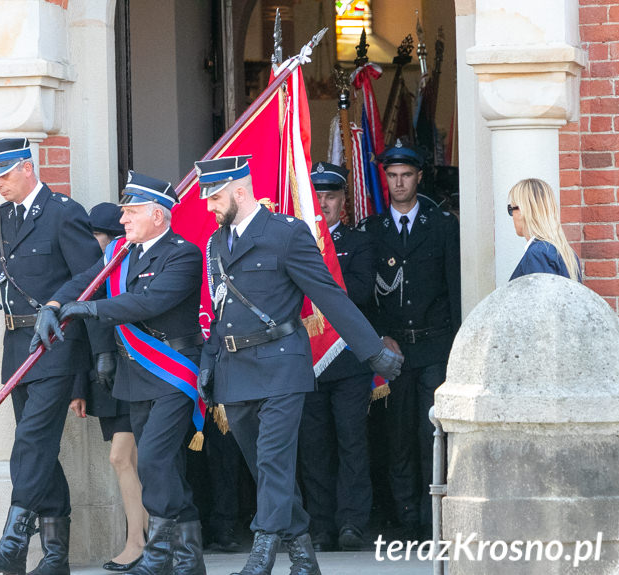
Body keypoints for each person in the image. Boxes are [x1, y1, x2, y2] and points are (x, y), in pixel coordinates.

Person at [195, 155, 403, 575]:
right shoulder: (217, 242)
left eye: (215, 196)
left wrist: (371, 351)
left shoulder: (287, 234)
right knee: (261, 464)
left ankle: (264, 550)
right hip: (234, 369)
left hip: (281, 364)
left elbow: (329, 295)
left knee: (273, 459)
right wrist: (208, 364)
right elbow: (219, 313)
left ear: (240, 190)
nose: (208, 205)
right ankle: (304, 552)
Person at [33, 172, 207, 575]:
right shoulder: (120, 251)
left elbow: (148, 303)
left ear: (158, 215)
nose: (123, 219)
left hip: (170, 372)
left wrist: (90, 310)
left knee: (155, 462)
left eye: (131, 212)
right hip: (135, 375)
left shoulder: (183, 253)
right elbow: (84, 280)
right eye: (125, 212)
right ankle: (188, 559)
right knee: (160, 466)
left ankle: (159, 556)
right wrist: (56, 303)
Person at [0, 138, 108, 575]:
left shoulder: (63, 212)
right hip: (16, 349)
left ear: (27, 167)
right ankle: (56, 556)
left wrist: (56, 305)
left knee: (32, 443)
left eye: (3, 175)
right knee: (39, 449)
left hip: (57, 347)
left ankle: (13, 542)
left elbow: (91, 272)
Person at [358, 139, 461, 538]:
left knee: (429, 434)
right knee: (397, 436)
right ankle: (406, 521)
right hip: (393, 347)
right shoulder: (373, 230)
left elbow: (454, 287)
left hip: (434, 345)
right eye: (392, 176)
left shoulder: (442, 226)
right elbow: (366, 294)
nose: (399, 183)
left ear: (419, 177)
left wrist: (454, 346)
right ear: (385, 179)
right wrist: (381, 335)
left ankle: (432, 517)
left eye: (406, 175)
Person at [297, 162, 376, 552]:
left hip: (346, 357)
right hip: (307, 360)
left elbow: (361, 292)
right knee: (313, 447)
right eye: (317, 196)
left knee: (351, 443)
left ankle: (352, 523)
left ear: (343, 201)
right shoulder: (295, 241)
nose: (323, 203)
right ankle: (321, 526)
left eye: (330, 196)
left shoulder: (358, 243)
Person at [67, 202, 148, 572]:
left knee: (125, 458)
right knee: (126, 460)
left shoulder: (129, 264)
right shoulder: (100, 268)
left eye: (98, 237)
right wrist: (79, 385)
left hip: (136, 369)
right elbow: (82, 334)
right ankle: (143, 540)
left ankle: (139, 541)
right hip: (106, 379)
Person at [507, 178, 581, 282]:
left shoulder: (538, 253)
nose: (512, 216)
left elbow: (540, 297)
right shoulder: (567, 254)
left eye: (511, 209)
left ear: (524, 210)